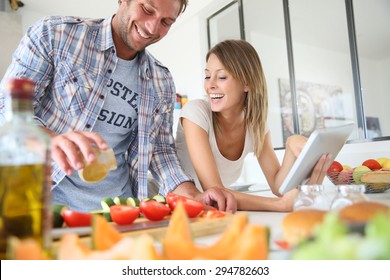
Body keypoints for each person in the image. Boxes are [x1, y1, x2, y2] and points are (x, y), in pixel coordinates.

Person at [0, 0, 236, 213]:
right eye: (147, 9)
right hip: (44, 210)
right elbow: (6, 108)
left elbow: (162, 153)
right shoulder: (55, 35)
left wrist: (195, 195)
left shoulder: (161, 80)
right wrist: (50, 140)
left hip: (119, 214)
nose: (153, 28)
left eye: (166, 22)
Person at [175, 39, 331, 211]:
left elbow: (278, 186)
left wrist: (291, 145)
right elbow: (214, 191)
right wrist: (279, 205)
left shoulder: (255, 126)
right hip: (168, 207)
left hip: (205, 213)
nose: (210, 85)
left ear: (246, 83)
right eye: (207, 76)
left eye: (221, 77)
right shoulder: (196, 113)